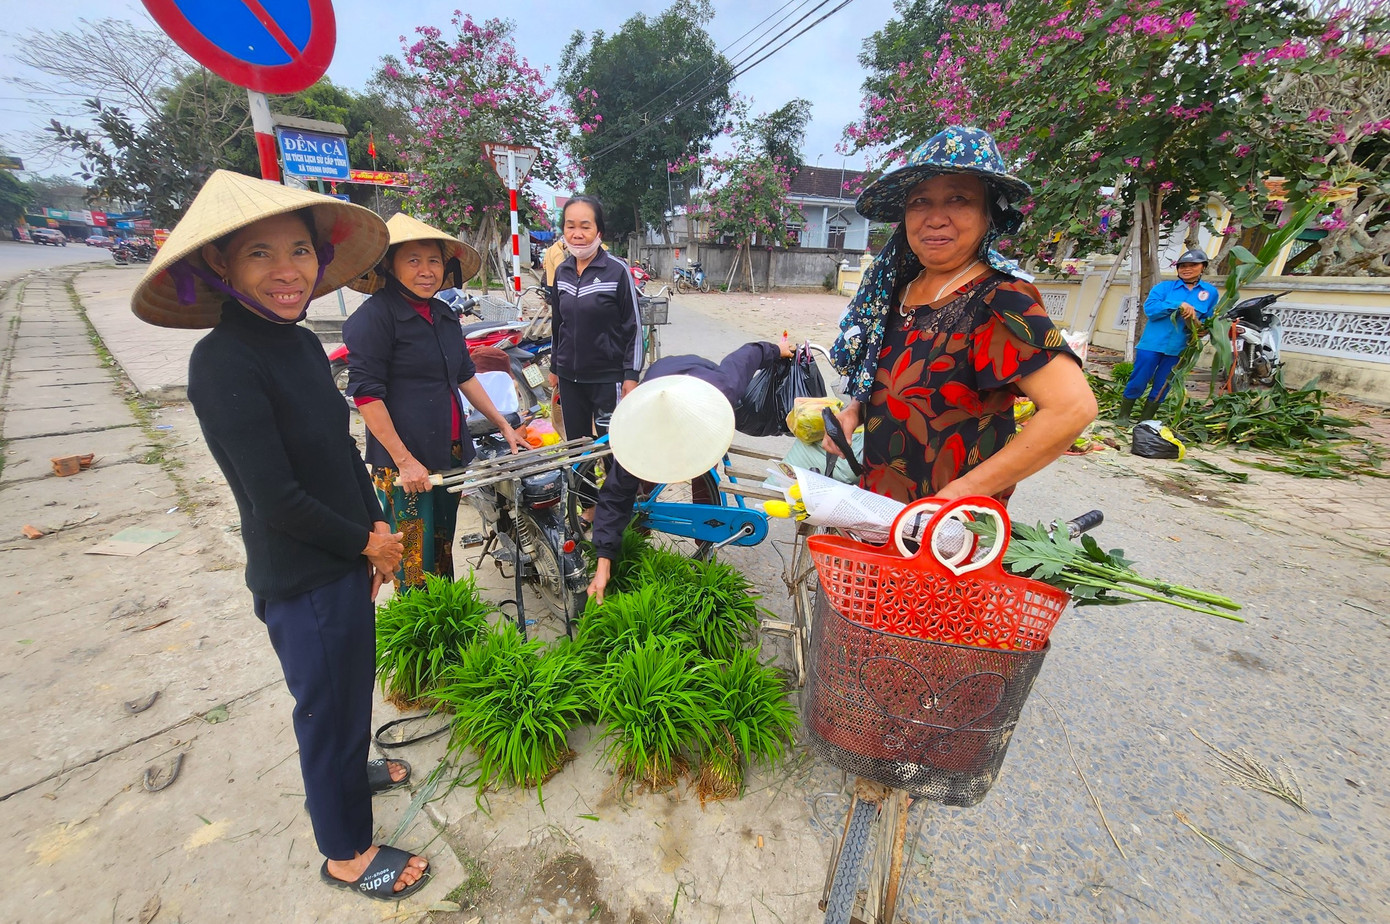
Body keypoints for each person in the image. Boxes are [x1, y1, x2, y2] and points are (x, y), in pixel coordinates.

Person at [130, 171, 431, 903]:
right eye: (259, 254)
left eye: (299, 250)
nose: (287, 270)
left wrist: (377, 521)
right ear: (220, 266)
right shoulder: (222, 362)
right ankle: (348, 854)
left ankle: (348, 773)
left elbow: (337, 447)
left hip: (344, 553)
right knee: (326, 710)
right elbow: (275, 499)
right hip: (303, 575)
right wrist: (366, 546)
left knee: (347, 690)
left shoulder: (297, 345)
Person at [825, 126, 1097, 505]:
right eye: (920, 202)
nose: (935, 218)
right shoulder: (895, 293)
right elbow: (887, 380)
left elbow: (1072, 409)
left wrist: (960, 494)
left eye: (958, 199)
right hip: (880, 507)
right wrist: (854, 411)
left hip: (949, 525)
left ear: (989, 214)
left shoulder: (1000, 300)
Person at [343, 213, 525, 587]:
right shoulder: (374, 318)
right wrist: (405, 461)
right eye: (413, 260)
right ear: (390, 266)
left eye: (434, 261)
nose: (426, 271)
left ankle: (445, 613)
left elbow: (465, 376)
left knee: (441, 544)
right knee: (411, 558)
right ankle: (419, 620)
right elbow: (367, 395)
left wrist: (504, 424)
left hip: (449, 450)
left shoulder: (443, 314)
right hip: (405, 461)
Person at [584, 339, 795, 603]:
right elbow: (614, 496)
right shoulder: (640, 432)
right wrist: (603, 565)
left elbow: (749, 354)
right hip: (659, 382)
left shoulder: (723, 389)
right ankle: (638, 532)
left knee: (704, 476)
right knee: (640, 478)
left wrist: (777, 350)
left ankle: (704, 544)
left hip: (700, 381)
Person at [547, 195, 644, 519]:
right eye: (570, 226)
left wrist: (631, 375)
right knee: (578, 448)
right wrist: (554, 367)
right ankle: (589, 506)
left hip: (608, 377)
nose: (577, 234)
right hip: (570, 378)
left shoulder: (617, 271)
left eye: (585, 226)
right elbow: (558, 323)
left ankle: (619, 510)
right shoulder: (562, 271)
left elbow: (633, 327)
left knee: (612, 446)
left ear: (599, 231)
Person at [1118, 247, 1218, 425]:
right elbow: (1150, 310)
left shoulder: (1210, 293)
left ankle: (1145, 421)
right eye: (1183, 266)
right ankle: (1123, 416)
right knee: (1139, 379)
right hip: (1152, 344)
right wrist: (1179, 304)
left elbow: (1208, 320)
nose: (1187, 269)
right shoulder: (1164, 288)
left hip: (1180, 348)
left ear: (1203, 267)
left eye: (1193, 265)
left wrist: (1199, 326)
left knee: (1163, 384)